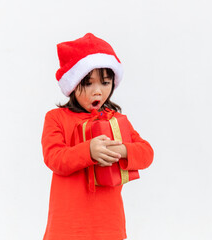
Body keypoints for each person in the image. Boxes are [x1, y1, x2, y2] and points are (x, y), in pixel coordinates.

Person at [41, 33, 154, 240]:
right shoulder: (56, 118)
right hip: (67, 227)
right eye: (89, 83)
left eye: (105, 83)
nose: (98, 92)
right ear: (74, 84)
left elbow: (146, 153)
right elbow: (55, 158)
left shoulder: (116, 120)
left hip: (108, 226)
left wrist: (122, 150)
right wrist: (88, 151)